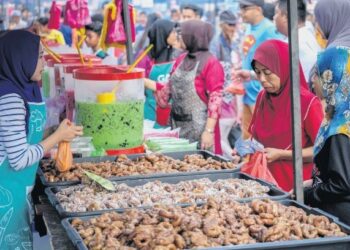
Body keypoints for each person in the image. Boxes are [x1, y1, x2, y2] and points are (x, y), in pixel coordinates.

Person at [0, 30, 83, 249]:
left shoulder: (20, 90)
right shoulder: (10, 98)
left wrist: (51, 132)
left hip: (18, 188)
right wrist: (56, 137)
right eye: (38, 56)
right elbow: (18, 159)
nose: (44, 63)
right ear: (20, 57)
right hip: (6, 192)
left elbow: (22, 137)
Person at [246, 40, 323, 191]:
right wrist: (245, 148)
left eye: (268, 73)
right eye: (258, 72)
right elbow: (254, 137)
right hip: (262, 182)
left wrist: (282, 154)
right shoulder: (262, 97)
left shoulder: (307, 103)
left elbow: (322, 150)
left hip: (295, 186)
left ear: (284, 68)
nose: (262, 79)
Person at [145, 20, 224, 154]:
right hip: (177, 125)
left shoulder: (211, 63)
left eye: (182, 34)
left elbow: (215, 100)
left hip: (200, 127)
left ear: (193, 37)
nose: (178, 37)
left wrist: (208, 131)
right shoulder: (181, 59)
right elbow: (168, 88)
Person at [304, 0, 350, 225]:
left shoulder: (341, 125)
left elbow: (342, 184)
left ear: (333, 77)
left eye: (318, 74)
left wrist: (306, 194)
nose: (313, 79)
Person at [238, 0, 283, 139]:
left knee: (261, 140)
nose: (242, 12)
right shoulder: (248, 28)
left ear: (258, 9)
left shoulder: (270, 29)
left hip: (262, 93)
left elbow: (278, 59)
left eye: (245, 8)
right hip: (247, 92)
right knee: (247, 140)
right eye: (241, 8)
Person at [210, 10, 242, 159]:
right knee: (222, 139)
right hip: (224, 98)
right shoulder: (216, 44)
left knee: (224, 138)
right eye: (230, 24)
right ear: (222, 25)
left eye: (234, 24)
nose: (233, 27)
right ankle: (234, 160)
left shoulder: (234, 42)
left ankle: (234, 160)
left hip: (232, 99)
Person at [138, 19, 179, 127]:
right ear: (163, 33)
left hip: (170, 115)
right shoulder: (145, 57)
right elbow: (137, 81)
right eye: (173, 32)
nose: (176, 35)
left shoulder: (175, 55)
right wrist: (158, 87)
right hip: (150, 113)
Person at [274, 0, 321, 82]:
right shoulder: (311, 34)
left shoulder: (291, 44)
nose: (274, 17)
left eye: (276, 13)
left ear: (285, 16)